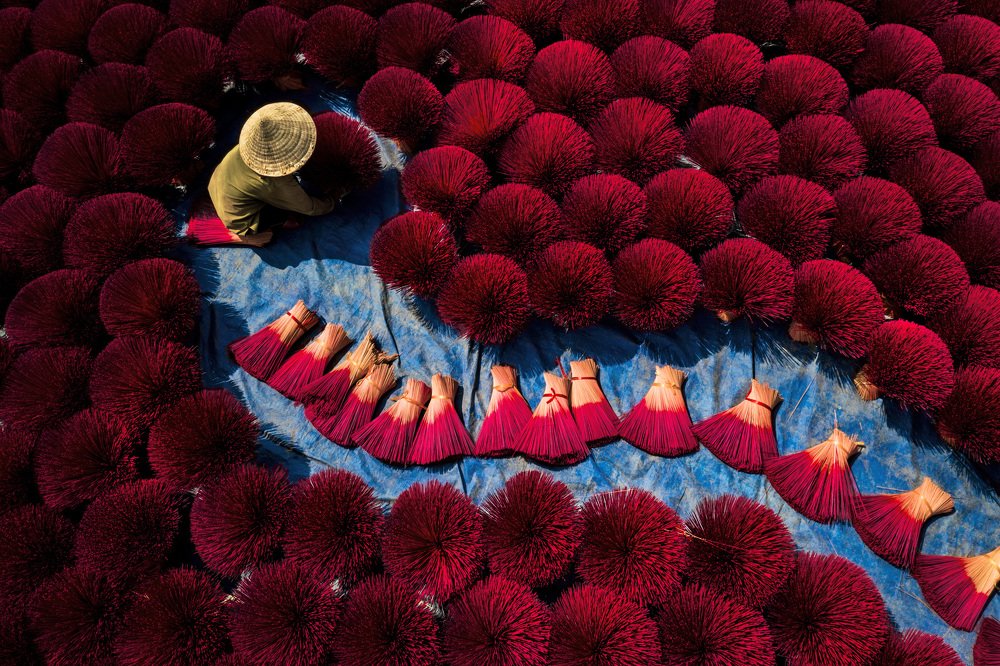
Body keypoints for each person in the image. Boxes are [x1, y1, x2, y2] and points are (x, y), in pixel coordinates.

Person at [208, 102, 337, 247]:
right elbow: (310, 208)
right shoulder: (275, 182)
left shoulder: (247, 147)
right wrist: (334, 199)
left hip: (217, 182)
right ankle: (266, 227)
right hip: (240, 219)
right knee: (294, 218)